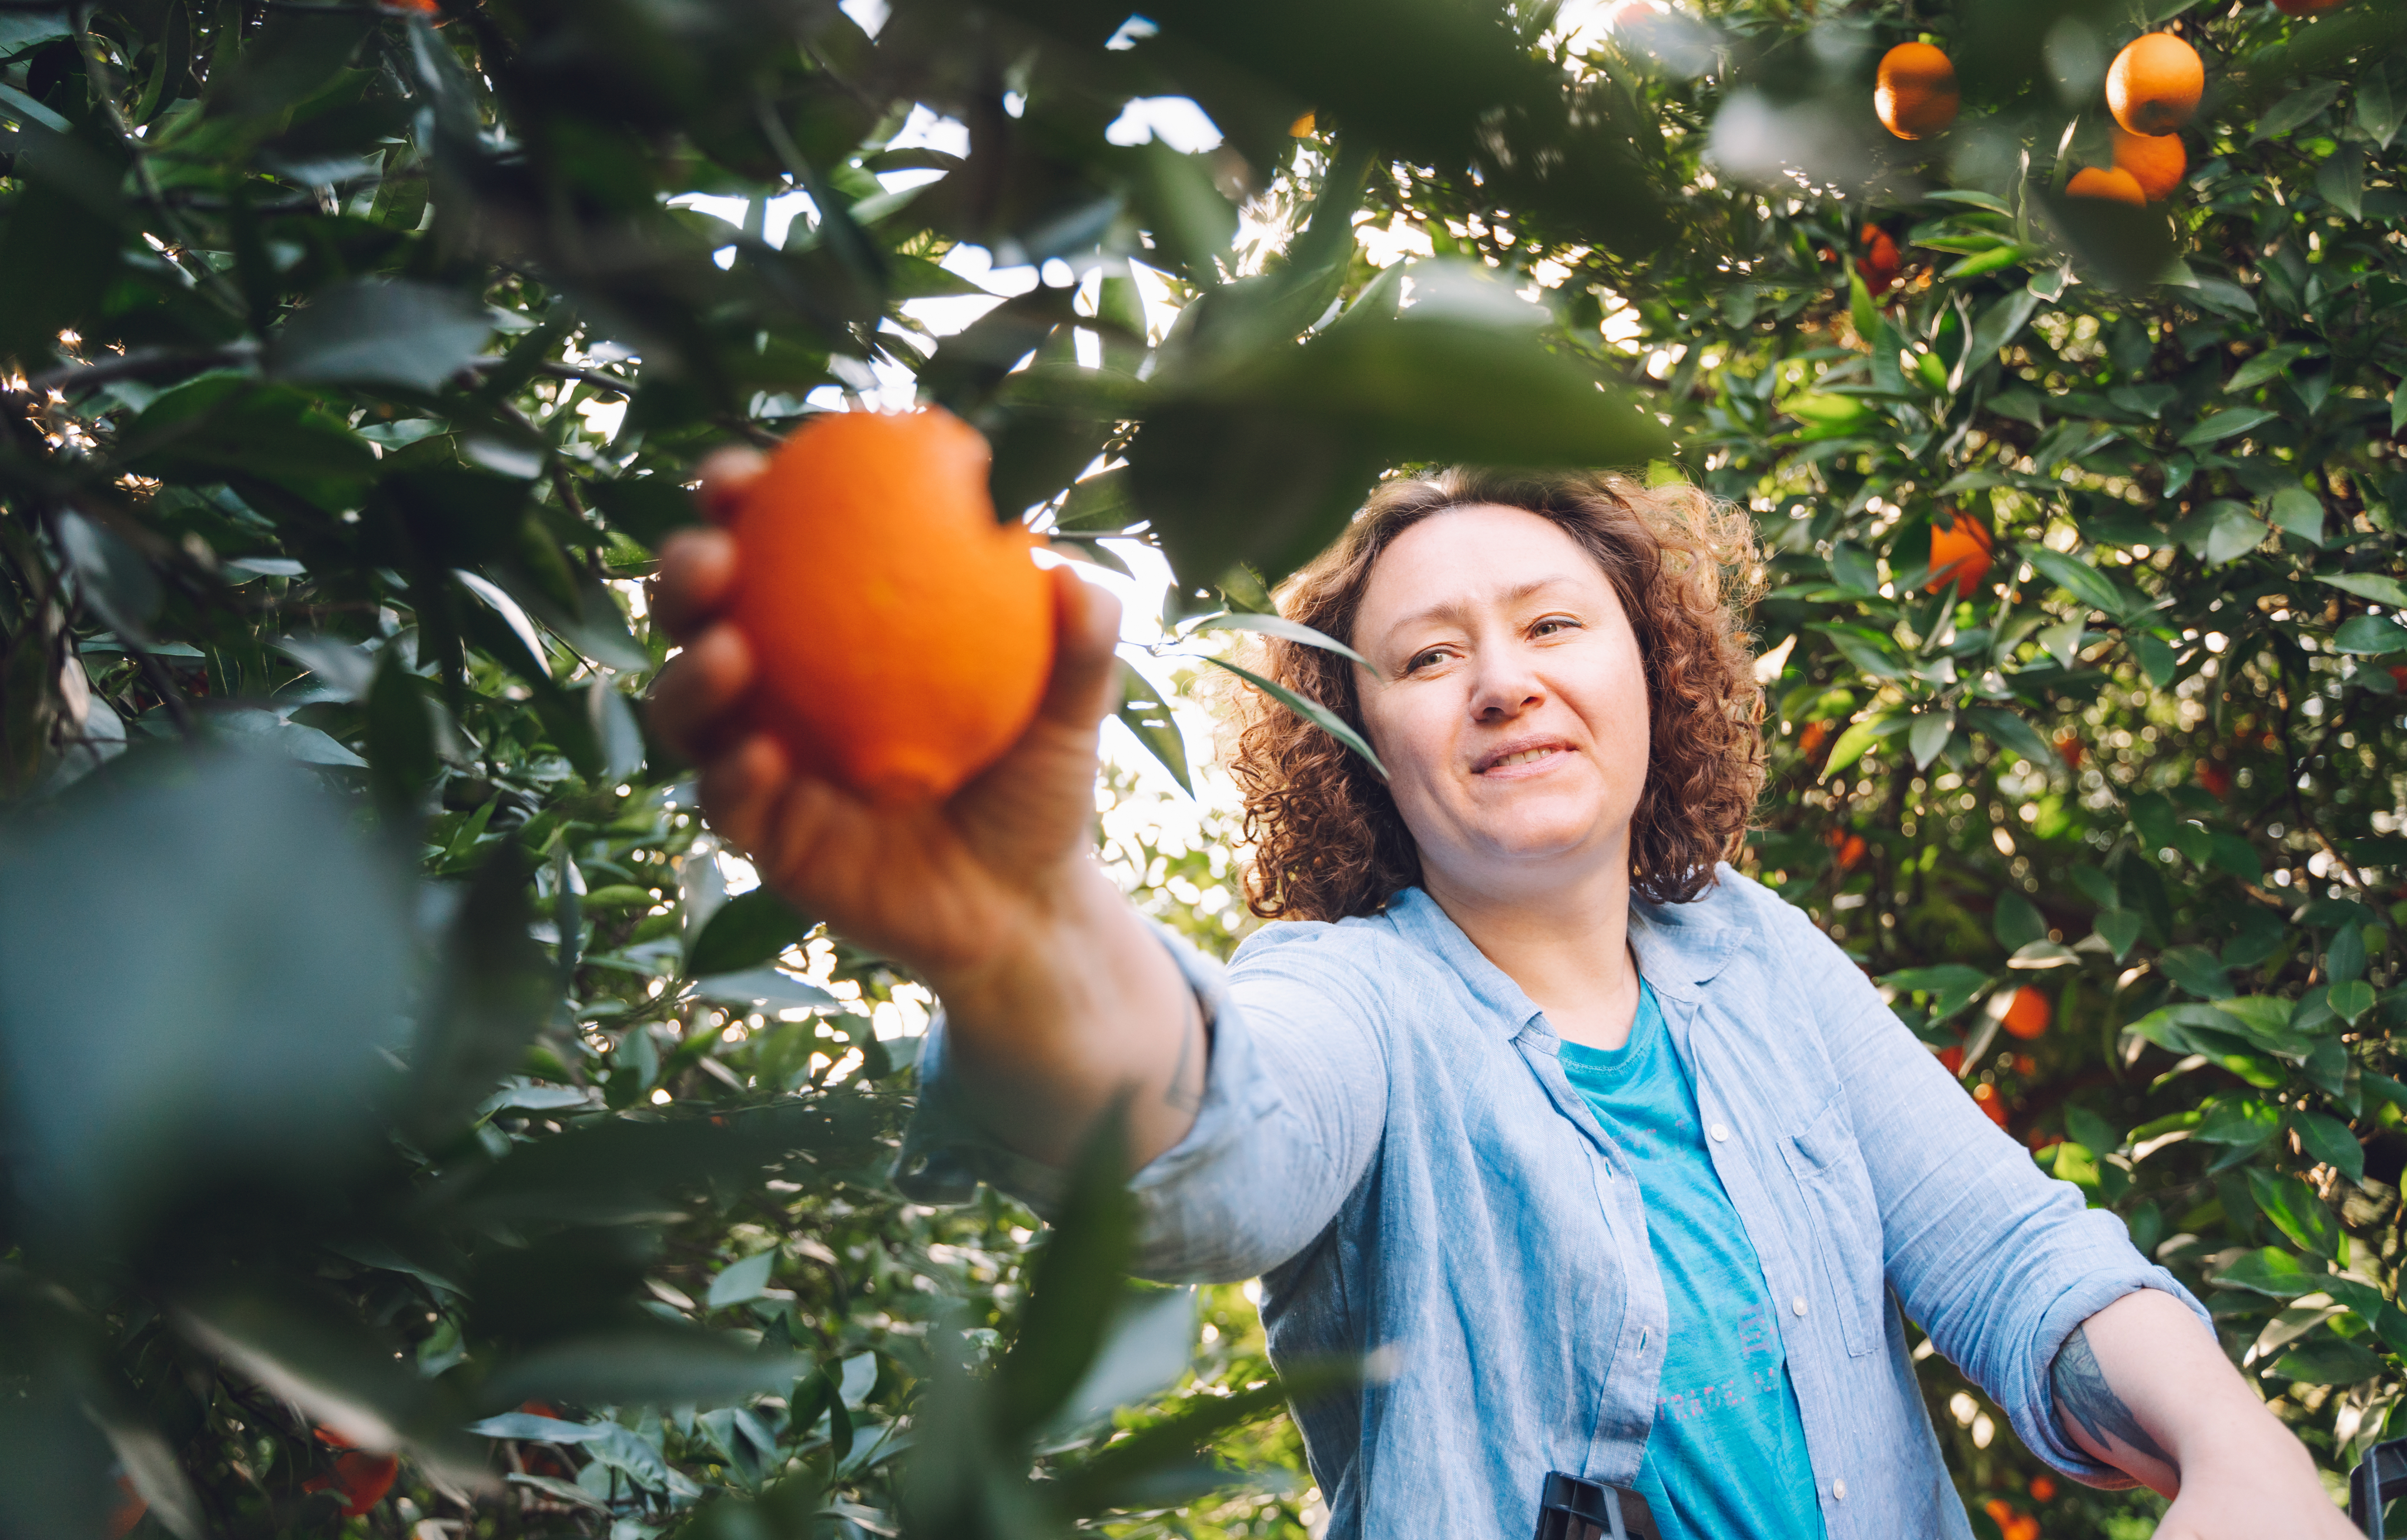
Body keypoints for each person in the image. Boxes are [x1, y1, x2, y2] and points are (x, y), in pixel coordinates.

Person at [650, 452, 2352, 1540]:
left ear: (1652, 675)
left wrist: (2238, 1443)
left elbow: (2006, 1247)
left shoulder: (1748, 951)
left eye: (1554, 621)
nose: (1507, 679)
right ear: (1369, 748)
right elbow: (1214, 1134)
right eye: (1428, 653)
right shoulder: (1360, 994)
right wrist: (1020, 931)